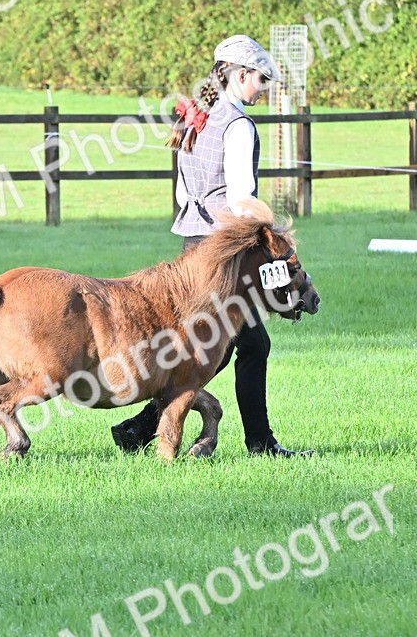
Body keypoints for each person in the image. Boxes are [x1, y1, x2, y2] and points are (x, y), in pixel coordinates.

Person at [110, 35, 315, 457]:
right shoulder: (237, 126)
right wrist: (269, 237)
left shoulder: (198, 116)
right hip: (225, 253)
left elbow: (185, 192)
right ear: (240, 75)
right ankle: (260, 445)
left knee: (210, 345)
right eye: (261, 79)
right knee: (248, 344)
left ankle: (139, 429)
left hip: (193, 242)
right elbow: (242, 200)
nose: (263, 88)